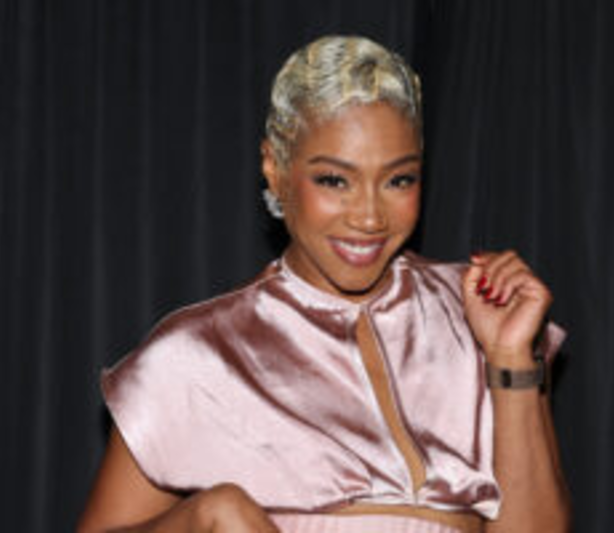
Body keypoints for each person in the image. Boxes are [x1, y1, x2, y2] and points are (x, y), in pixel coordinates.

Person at [78, 35, 571, 533]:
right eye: (335, 180)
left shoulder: (475, 315)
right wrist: (206, 517)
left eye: (398, 180)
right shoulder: (198, 353)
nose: (369, 217)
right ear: (275, 169)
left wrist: (510, 358)